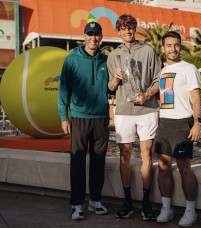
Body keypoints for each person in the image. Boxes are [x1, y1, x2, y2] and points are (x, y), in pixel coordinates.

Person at [107, 14, 161, 221]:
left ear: (135, 29)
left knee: (147, 155)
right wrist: (115, 78)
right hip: (123, 111)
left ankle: (146, 202)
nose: (127, 31)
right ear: (118, 31)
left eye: (130, 27)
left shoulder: (148, 51)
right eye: (123, 28)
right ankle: (127, 200)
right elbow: (110, 88)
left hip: (147, 110)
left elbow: (158, 80)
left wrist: (147, 94)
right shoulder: (113, 56)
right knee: (125, 156)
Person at [58, 22, 109, 220]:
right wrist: (64, 117)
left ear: (101, 37)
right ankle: (77, 205)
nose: (93, 38)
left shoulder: (107, 60)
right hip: (79, 117)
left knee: (99, 162)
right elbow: (64, 90)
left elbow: (112, 87)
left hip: (101, 118)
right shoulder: (71, 60)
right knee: (77, 162)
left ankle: (95, 201)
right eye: (90, 34)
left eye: (96, 35)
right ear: (84, 36)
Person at [153, 31, 201, 227]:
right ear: (163, 48)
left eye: (176, 45)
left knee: (184, 168)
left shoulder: (189, 69)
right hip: (164, 123)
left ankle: (191, 211)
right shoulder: (162, 71)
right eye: (169, 45)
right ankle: (167, 209)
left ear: (180, 47)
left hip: (184, 123)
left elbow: (196, 98)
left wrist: (197, 121)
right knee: (163, 168)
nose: (173, 49)